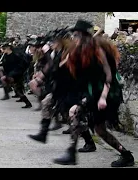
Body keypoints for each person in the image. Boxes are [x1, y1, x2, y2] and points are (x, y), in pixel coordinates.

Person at [53, 19, 135, 167]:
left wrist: (103, 97)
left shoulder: (98, 50)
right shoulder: (79, 52)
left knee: (77, 114)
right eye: (74, 35)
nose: (74, 38)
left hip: (107, 92)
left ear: (85, 36)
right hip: (92, 91)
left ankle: (72, 153)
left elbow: (109, 75)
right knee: (99, 129)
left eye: (77, 35)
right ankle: (126, 155)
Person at [0, 42, 32, 108]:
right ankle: (26, 102)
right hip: (11, 73)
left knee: (16, 88)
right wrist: (0, 64)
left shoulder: (15, 56)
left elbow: (19, 65)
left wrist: (15, 73)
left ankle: (8, 92)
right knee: (17, 89)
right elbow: (6, 65)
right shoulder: (6, 56)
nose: (3, 50)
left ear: (8, 48)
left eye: (4, 49)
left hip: (16, 74)